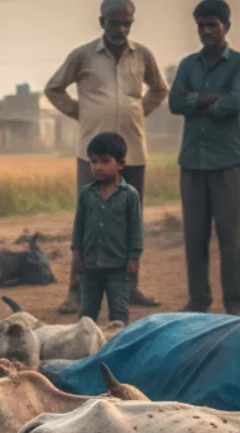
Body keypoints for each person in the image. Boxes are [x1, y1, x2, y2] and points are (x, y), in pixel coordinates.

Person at [46, 0, 167, 315]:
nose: (122, 29)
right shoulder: (82, 55)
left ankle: (131, 286)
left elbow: (159, 89)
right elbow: (54, 88)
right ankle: (76, 292)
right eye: (115, 23)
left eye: (127, 23)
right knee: (88, 221)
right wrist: (81, 113)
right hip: (93, 154)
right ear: (102, 22)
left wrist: (139, 112)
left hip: (133, 151)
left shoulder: (142, 55)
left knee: (130, 219)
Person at [168, 0, 240, 315]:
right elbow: (174, 104)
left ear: (225, 27)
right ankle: (198, 301)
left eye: (212, 25)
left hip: (228, 161)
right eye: (201, 26)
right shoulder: (188, 65)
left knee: (232, 239)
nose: (206, 31)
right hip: (192, 161)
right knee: (194, 237)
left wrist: (194, 100)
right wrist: (211, 98)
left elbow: (232, 103)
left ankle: (236, 305)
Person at [73, 132, 142, 325]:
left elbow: (135, 229)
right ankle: (86, 351)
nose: (98, 167)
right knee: (87, 314)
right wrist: (76, 253)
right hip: (90, 266)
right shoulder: (87, 194)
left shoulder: (129, 195)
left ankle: (118, 349)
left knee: (119, 314)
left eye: (105, 161)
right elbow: (79, 226)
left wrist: (134, 257)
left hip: (117, 267)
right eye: (93, 161)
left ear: (120, 164)